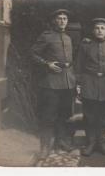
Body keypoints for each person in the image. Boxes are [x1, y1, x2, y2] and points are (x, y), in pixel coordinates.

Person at [29, 9, 76, 159]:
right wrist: (47, 63)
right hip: (51, 83)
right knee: (48, 116)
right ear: (54, 21)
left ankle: (60, 142)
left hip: (68, 82)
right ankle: (45, 147)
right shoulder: (46, 36)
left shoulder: (68, 38)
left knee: (64, 115)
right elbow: (32, 54)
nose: (62, 21)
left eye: (65, 18)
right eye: (59, 18)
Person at [76, 18, 105, 156]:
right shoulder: (85, 47)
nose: (100, 30)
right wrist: (79, 85)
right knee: (89, 115)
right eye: (97, 28)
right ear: (93, 31)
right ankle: (91, 142)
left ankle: (102, 142)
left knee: (104, 116)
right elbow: (79, 66)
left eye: (102, 28)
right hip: (89, 83)